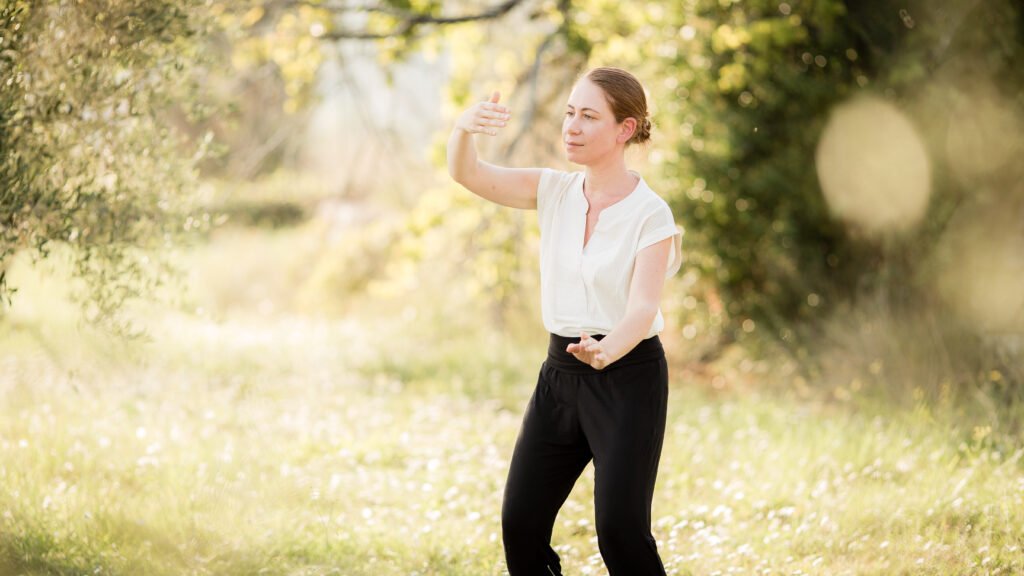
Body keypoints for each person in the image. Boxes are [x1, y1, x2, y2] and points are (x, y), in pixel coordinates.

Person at [446, 67, 682, 576]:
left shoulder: (651, 214)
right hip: (561, 374)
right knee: (521, 524)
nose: (571, 126)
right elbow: (470, 174)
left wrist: (607, 349)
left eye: (589, 116)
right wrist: (463, 129)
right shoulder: (553, 190)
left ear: (625, 129)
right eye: (570, 113)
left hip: (627, 376)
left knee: (620, 531)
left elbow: (642, 308)